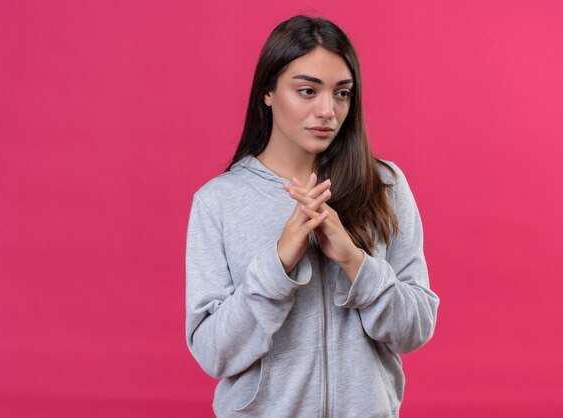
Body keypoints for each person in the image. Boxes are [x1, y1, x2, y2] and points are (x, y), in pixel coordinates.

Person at [185, 15, 439, 417]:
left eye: (342, 94)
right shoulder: (218, 202)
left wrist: (354, 261)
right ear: (267, 92)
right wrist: (277, 263)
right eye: (307, 91)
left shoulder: (384, 185)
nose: (327, 110)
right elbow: (213, 353)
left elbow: (415, 329)